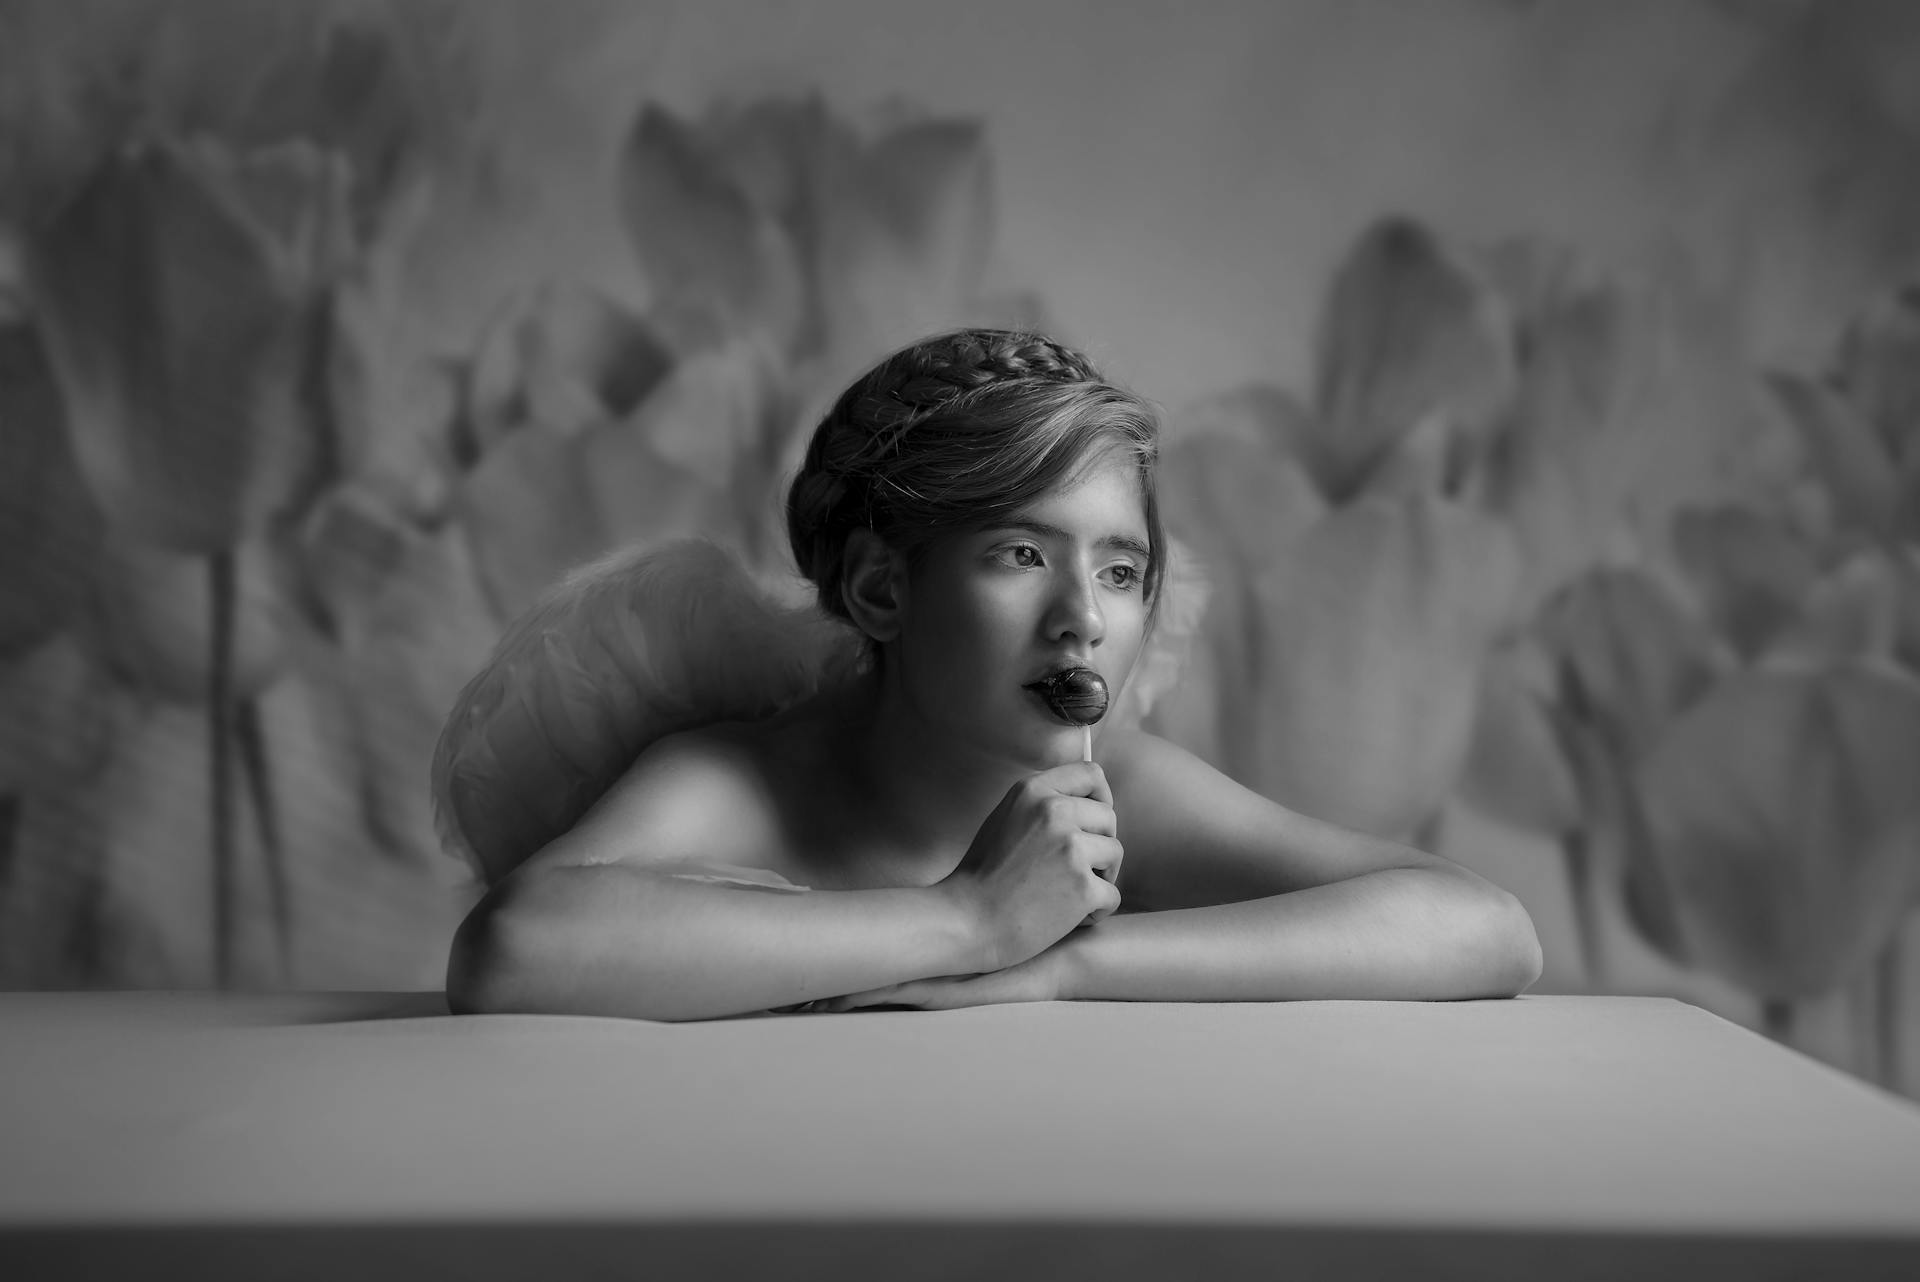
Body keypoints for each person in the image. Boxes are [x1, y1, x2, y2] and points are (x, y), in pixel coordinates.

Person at [438, 327, 1542, 1021]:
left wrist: (1063, 971)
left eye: (1121, 570)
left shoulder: (1123, 789)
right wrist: (969, 920)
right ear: (880, 591)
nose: (1084, 620)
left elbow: (1485, 928)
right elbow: (513, 948)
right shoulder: (746, 777)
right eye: (1021, 555)